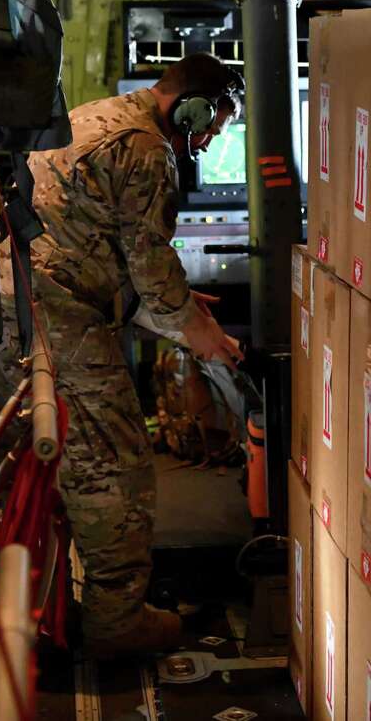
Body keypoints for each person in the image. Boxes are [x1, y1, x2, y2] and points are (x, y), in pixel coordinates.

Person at [29, 53, 245, 657]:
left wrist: (175, 306)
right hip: (58, 318)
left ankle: (43, 611)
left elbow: (111, 251)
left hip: (9, 304)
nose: (207, 140)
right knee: (117, 466)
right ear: (192, 107)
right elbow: (153, 276)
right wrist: (202, 336)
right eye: (211, 125)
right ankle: (115, 622)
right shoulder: (150, 150)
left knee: (42, 472)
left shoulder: (100, 115)